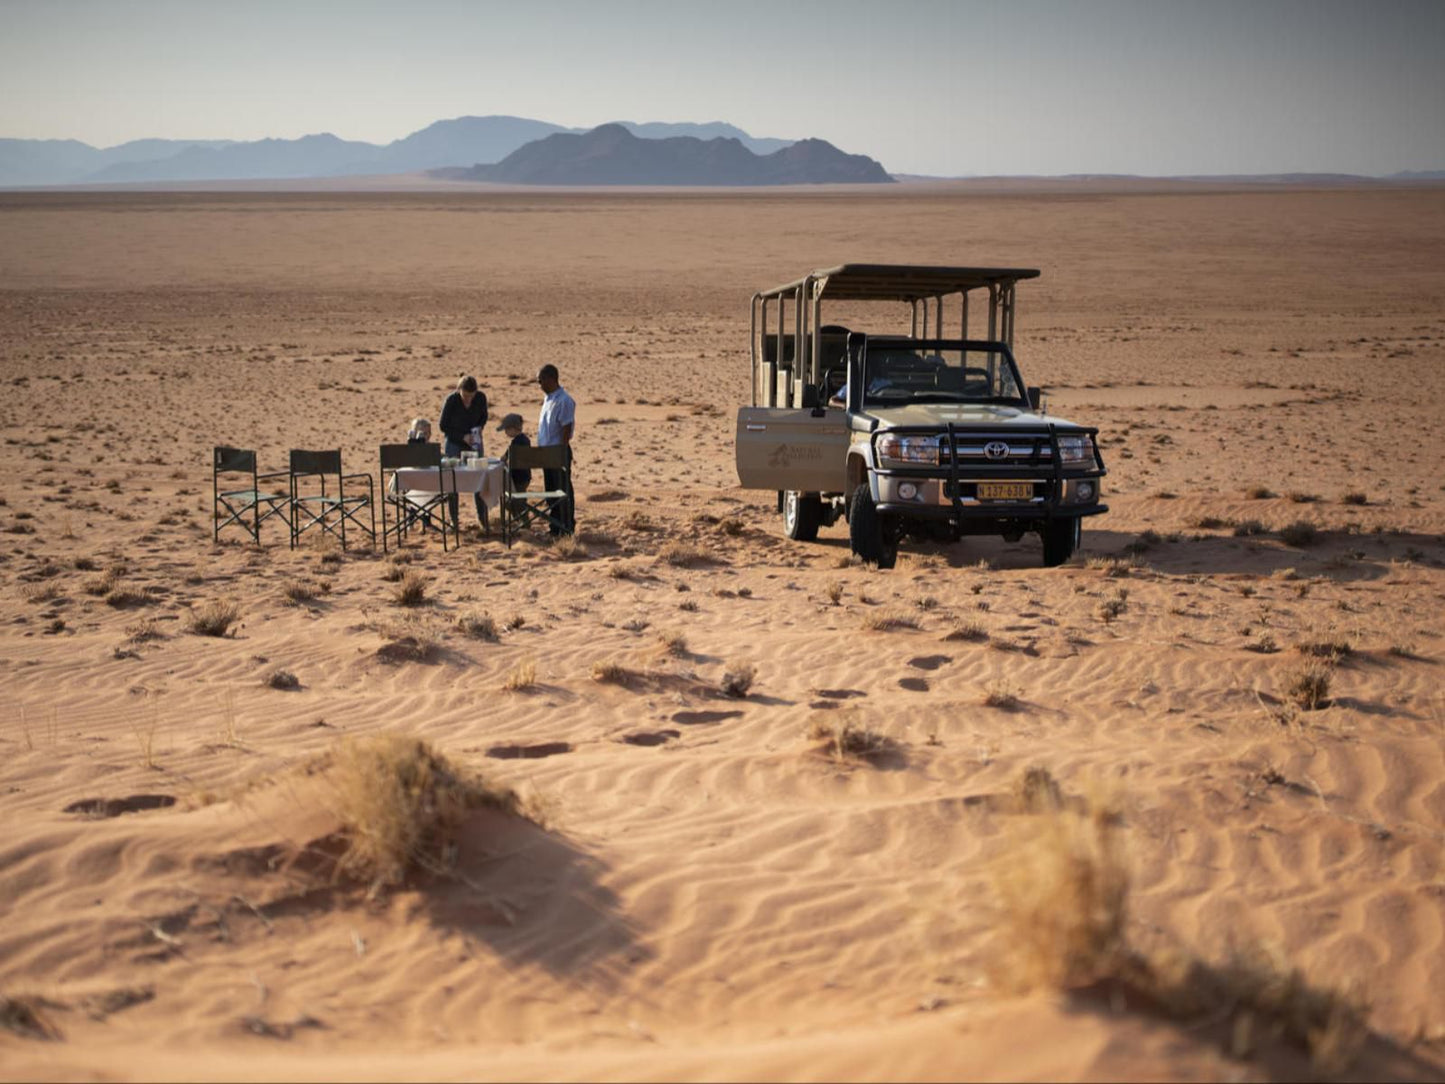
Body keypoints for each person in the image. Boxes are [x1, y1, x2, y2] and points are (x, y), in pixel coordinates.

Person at [438, 375, 489, 529]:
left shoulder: (480, 398)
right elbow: (443, 426)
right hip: (454, 444)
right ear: (459, 390)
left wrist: (479, 428)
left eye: (471, 396)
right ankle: (454, 521)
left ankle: (483, 519)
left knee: (479, 479)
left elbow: (484, 416)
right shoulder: (451, 401)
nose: (469, 400)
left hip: (474, 443)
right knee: (452, 481)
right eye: (465, 396)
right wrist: (462, 436)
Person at [535, 363, 575, 535]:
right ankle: (555, 527)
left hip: (558, 451)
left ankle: (566, 526)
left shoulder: (564, 400)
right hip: (546, 452)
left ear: (551, 379)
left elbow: (566, 427)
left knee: (562, 490)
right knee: (551, 492)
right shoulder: (548, 399)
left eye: (541, 380)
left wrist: (561, 451)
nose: (539, 384)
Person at [495, 412, 532, 515]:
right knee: (519, 500)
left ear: (513, 429)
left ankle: (522, 521)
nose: (505, 432)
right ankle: (521, 520)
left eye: (506, 430)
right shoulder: (525, 440)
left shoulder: (516, 443)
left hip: (517, 478)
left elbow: (505, 458)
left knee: (513, 501)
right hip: (525, 477)